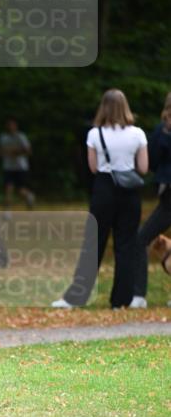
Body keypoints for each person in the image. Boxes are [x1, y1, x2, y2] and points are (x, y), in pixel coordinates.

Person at [52, 88, 148, 309]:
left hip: (104, 189)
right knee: (125, 245)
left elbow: (93, 168)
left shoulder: (95, 134)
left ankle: (75, 297)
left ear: (103, 108)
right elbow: (143, 167)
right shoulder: (138, 134)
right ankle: (121, 301)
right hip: (130, 193)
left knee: (93, 243)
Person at [131, 92, 171, 307]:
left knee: (141, 239)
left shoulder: (160, 130)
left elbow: (154, 164)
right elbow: (153, 162)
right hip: (168, 199)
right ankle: (138, 295)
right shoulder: (160, 131)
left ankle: (138, 296)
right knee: (142, 239)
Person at [0, 118, 35, 209]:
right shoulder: (3, 137)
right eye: (8, 125)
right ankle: (7, 212)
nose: (10, 127)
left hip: (20, 167)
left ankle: (29, 196)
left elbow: (28, 151)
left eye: (12, 125)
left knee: (20, 190)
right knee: (8, 189)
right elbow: (2, 149)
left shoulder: (21, 136)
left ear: (15, 126)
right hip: (8, 167)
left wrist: (14, 152)